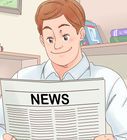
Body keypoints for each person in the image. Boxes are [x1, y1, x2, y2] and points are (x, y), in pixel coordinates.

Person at [1, 0, 127, 139]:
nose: (57, 46)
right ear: (42, 40)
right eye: (50, 39)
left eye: (65, 36)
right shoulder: (22, 78)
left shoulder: (109, 80)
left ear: (81, 34)